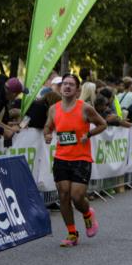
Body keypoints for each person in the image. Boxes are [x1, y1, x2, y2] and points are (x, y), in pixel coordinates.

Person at [44, 73, 107, 247]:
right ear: (60, 87)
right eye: (65, 84)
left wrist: (88, 133)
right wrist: (47, 135)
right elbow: (48, 126)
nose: (67, 87)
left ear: (77, 89)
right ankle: (72, 234)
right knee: (63, 195)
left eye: (71, 84)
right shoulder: (53, 109)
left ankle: (87, 213)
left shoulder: (85, 108)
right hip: (61, 158)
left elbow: (103, 124)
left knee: (77, 196)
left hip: (81, 158)